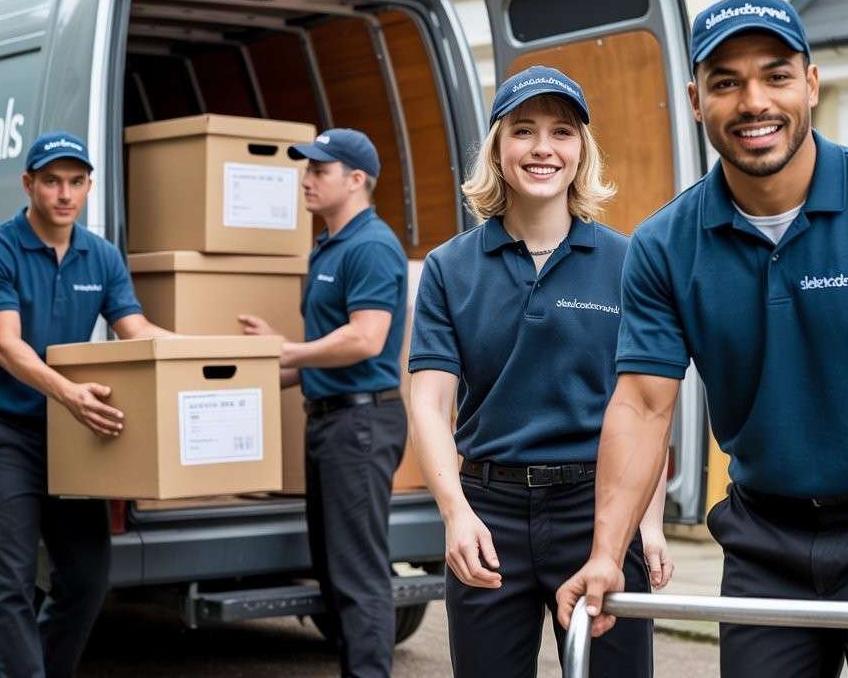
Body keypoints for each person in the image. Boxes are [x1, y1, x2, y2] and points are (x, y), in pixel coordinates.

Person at [557, 0, 848, 677]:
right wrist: (603, 553)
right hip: (764, 539)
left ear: (811, 84)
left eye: (775, 75)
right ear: (695, 99)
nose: (754, 102)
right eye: (726, 82)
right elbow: (643, 406)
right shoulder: (665, 246)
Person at [407, 66, 672, 678]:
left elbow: (649, 403)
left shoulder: (628, 262)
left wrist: (647, 521)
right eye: (524, 131)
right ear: (498, 149)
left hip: (599, 508)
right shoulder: (452, 268)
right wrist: (455, 513)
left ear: (582, 151)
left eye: (562, 132)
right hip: (488, 513)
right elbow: (428, 404)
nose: (543, 149)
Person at [0, 131, 173, 678]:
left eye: (76, 182)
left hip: (70, 437)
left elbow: (137, 329)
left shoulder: (99, 256)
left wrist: (207, 355)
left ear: (88, 186)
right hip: (7, 434)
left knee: (85, 580)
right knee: (9, 583)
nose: (64, 194)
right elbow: (7, 347)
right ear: (28, 184)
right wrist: (69, 393)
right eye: (52, 181)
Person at [237, 128, 408, 678]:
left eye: (319, 170)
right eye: (306, 169)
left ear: (356, 180)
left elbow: (366, 339)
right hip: (332, 419)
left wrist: (282, 348)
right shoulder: (329, 245)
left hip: (360, 425)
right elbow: (323, 355)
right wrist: (250, 373)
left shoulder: (372, 247)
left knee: (358, 574)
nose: (305, 180)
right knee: (334, 570)